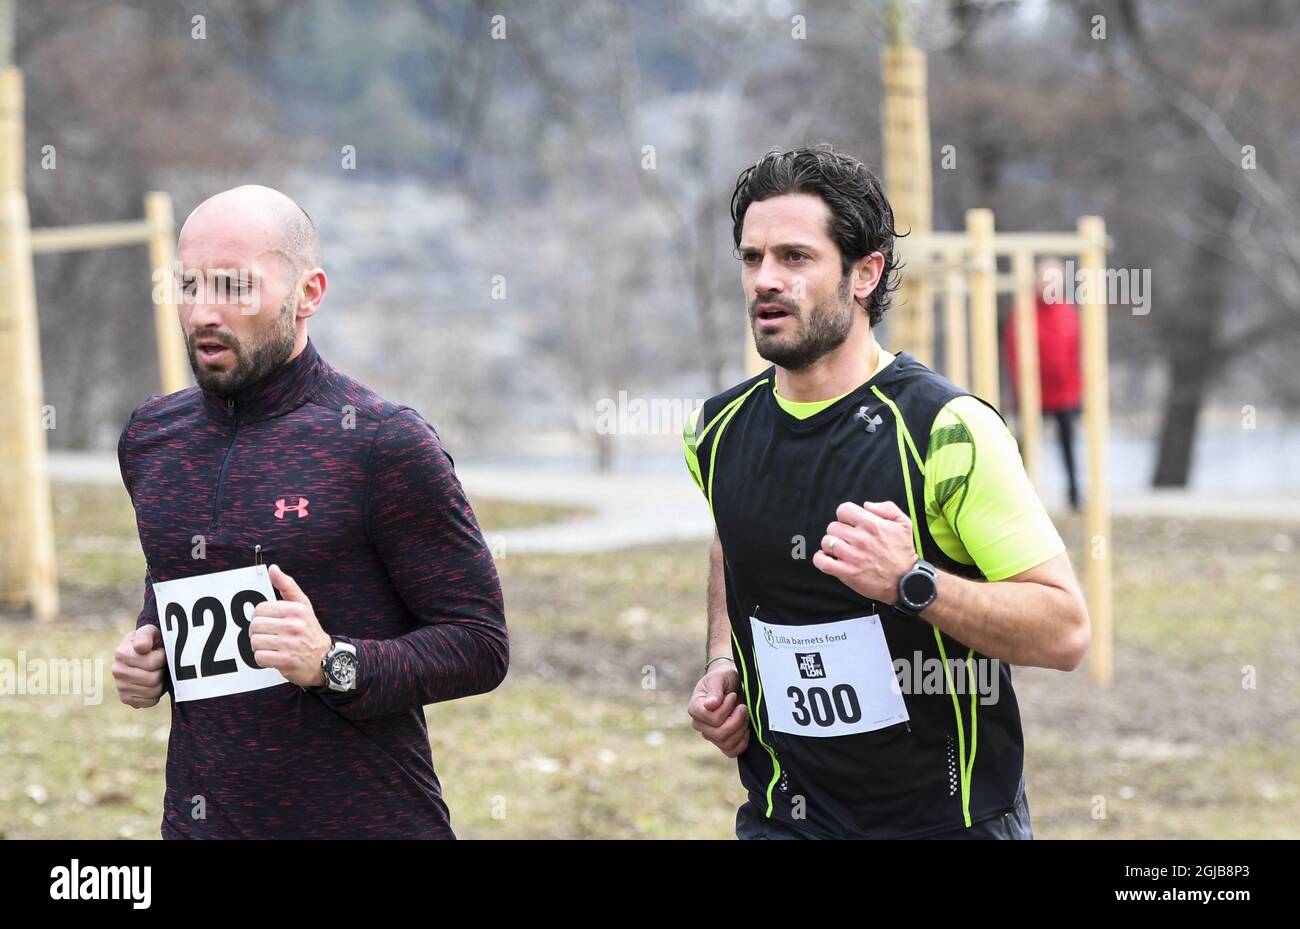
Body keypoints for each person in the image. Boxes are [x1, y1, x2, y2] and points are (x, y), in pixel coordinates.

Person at [682, 146, 1089, 839]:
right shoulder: (716, 431)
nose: (765, 280)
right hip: (786, 818)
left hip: (945, 822)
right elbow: (733, 543)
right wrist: (724, 660)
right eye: (752, 259)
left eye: (795, 257)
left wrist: (913, 581)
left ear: (865, 272)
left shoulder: (946, 430)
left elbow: (1065, 630)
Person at [110, 185, 507, 839]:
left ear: (309, 293)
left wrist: (331, 661)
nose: (204, 312)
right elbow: (176, 583)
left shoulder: (382, 442)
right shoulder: (153, 438)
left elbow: (479, 644)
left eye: (235, 287)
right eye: (187, 286)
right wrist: (146, 653)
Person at [1003, 258, 1084, 511]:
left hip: (1065, 393)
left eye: (1055, 280)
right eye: (1046, 279)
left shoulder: (1068, 312)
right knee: (1025, 444)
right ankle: (1019, 495)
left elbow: (1076, 354)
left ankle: (1074, 495)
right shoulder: (1023, 313)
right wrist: (1021, 387)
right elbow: (1013, 352)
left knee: (1068, 445)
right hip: (1033, 393)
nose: (1049, 285)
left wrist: (1078, 390)